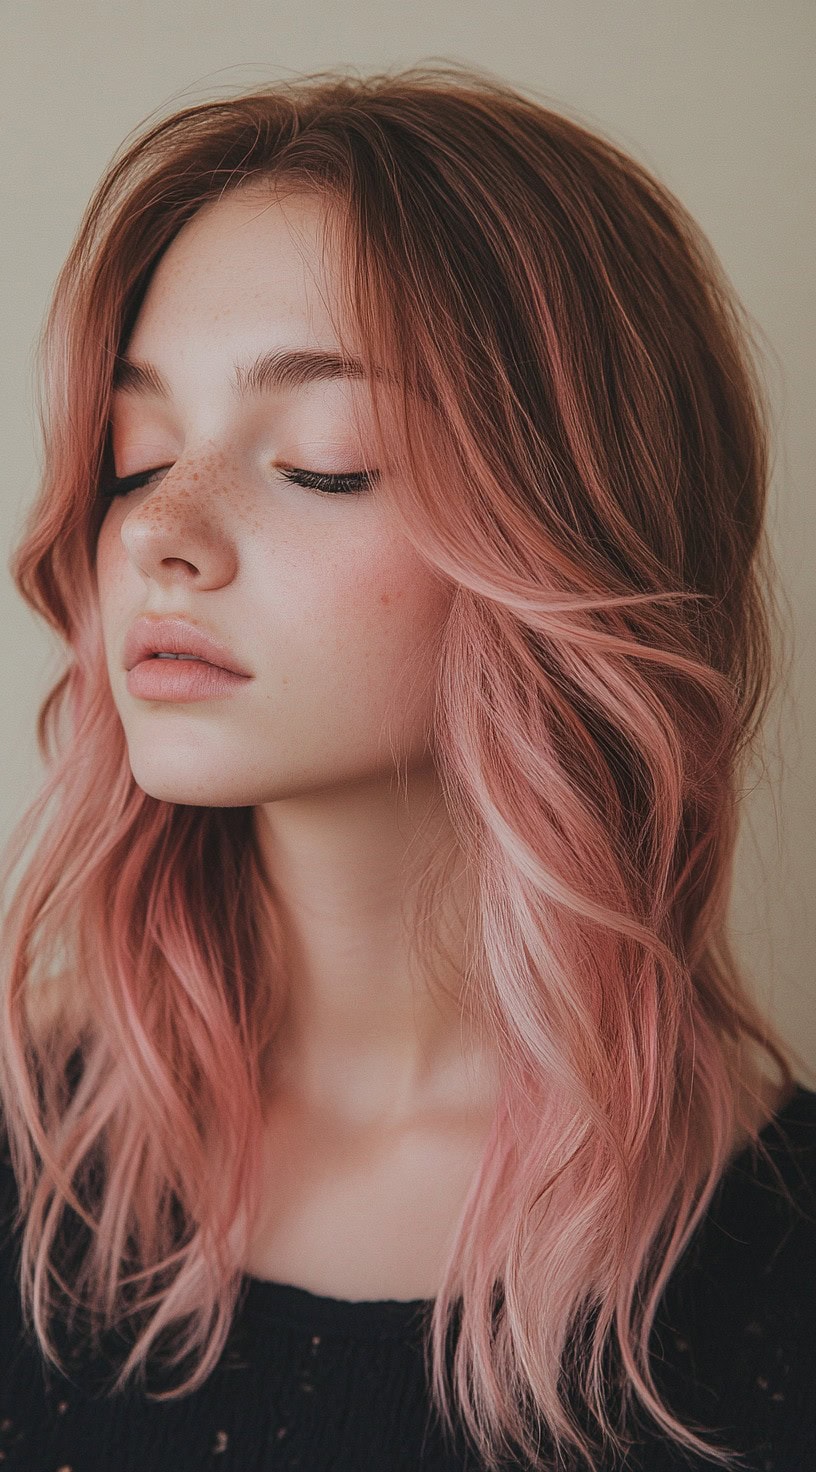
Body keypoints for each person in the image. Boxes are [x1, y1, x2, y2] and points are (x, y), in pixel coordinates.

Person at [0, 61, 813, 1472]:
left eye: (324, 458)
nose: (154, 534)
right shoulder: (26, 1145)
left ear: (573, 533)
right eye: (139, 455)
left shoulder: (778, 1267)